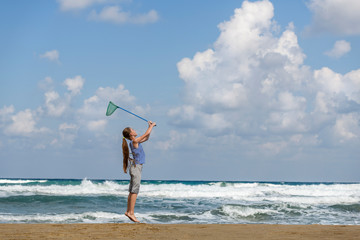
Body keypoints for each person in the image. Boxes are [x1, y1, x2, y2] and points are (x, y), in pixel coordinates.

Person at [122, 121, 156, 223]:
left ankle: (129, 211)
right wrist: (152, 126)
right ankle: (131, 213)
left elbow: (147, 137)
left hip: (135, 168)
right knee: (134, 191)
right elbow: (145, 134)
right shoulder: (134, 141)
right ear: (131, 134)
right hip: (136, 168)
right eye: (133, 130)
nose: (135, 130)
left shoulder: (136, 141)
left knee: (132, 190)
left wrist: (149, 127)